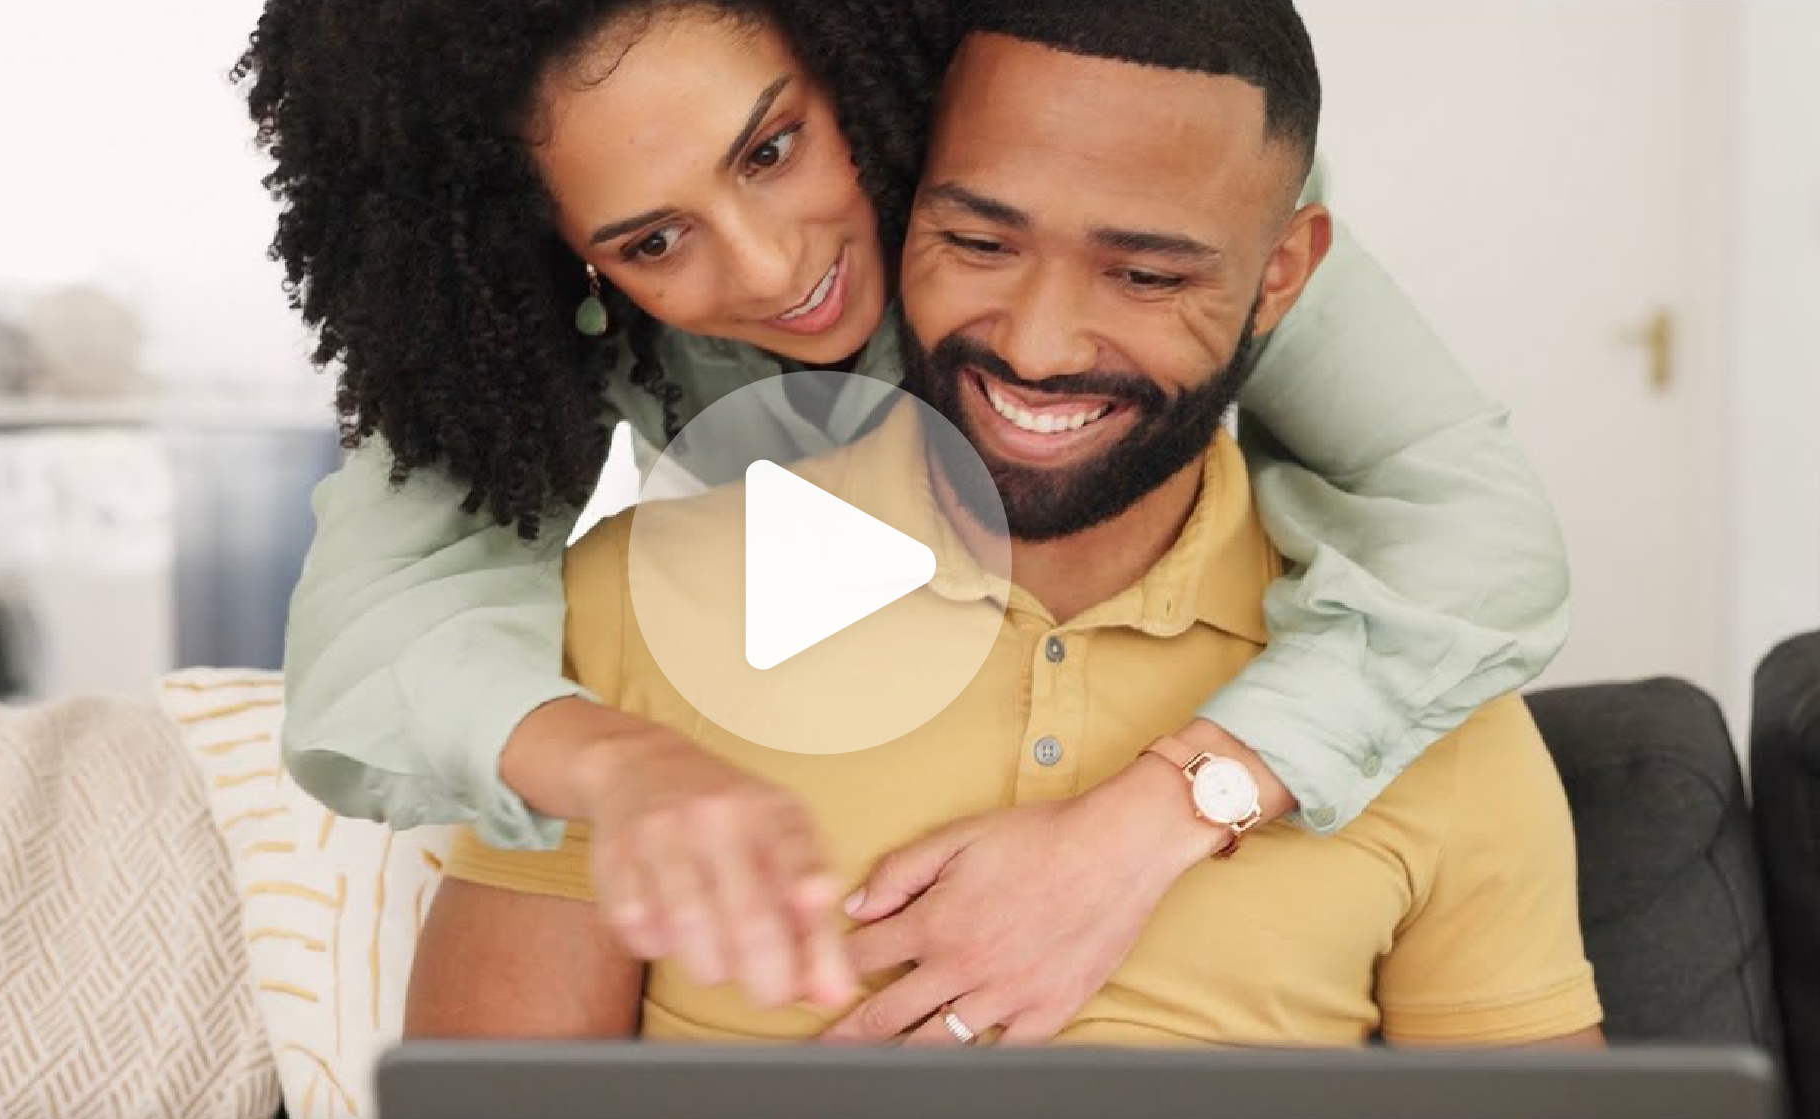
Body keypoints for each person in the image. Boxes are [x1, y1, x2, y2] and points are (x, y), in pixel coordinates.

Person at [241, 0, 1571, 1028]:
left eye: (773, 148)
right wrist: (628, 766)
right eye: (653, 241)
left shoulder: (1112, 130)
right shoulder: (635, 581)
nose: (774, 270)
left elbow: (1474, 524)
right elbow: (380, 629)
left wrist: (1142, 826)